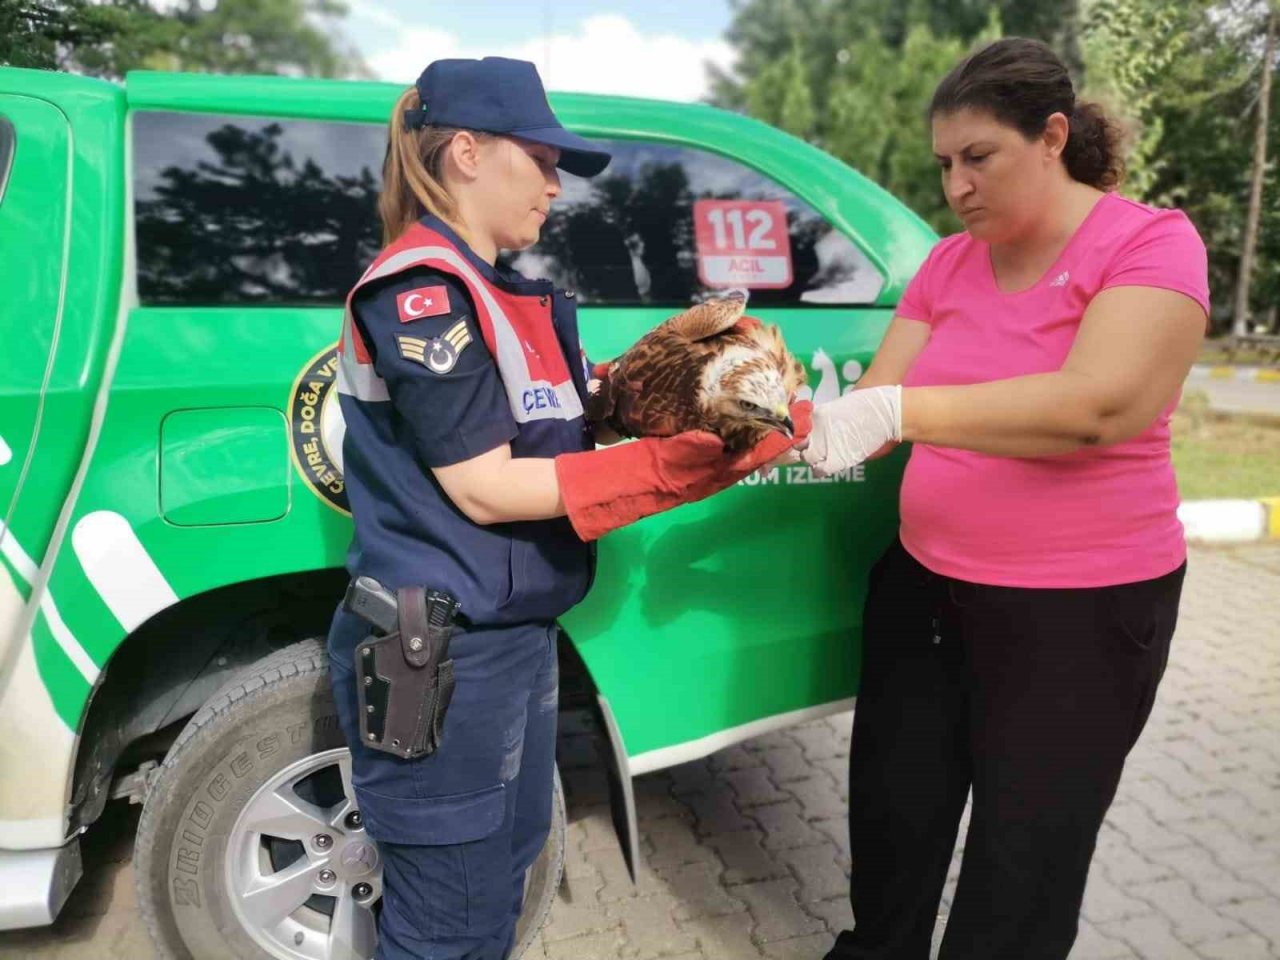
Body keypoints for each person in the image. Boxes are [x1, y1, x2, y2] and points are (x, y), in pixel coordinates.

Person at [324, 56, 807, 960]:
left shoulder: (501, 289)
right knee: (445, 928)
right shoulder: (425, 293)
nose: (554, 184)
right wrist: (675, 468)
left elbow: (568, 405)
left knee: (503, 874)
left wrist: (689, 391)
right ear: (466, 152)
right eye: (541, 159)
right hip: (443, 654)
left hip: (512, 642)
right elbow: (485, 485)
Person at [801, 38, 1210, 960]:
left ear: (1053, 136)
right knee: (894, 828)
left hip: (1078, 613)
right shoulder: (948, 264)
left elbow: (1099, 407)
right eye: (945, 164)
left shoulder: (1148, 242)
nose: (957, 185)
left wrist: (896, 412)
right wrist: (795, 425)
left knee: (1021, 867)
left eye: (978, 157)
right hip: (926, 588)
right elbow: (878, 398)